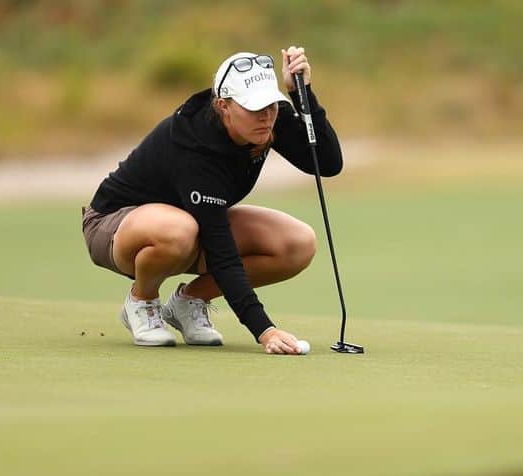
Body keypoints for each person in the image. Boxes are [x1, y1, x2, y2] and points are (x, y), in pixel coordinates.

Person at [81, 46, 343, 354]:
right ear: (224, 105)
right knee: (179, 230)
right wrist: (265, 331)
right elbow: (222, 253)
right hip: (116, 226)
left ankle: (188, 302)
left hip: (193, 224)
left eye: (271, 106)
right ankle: (141, 301)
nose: (266, 116)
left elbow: (327, 163)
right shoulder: (195, 143)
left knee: (298, 243)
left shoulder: (270, 118)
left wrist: (302, 94)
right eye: (254, 108)